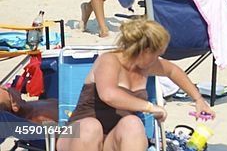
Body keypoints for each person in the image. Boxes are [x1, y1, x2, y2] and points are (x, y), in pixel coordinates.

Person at [56, 19, 214, 151]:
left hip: (113, 140)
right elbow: (109, 95)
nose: (158, 59)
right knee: (91, 127)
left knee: (133, 124)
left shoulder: (147, 65)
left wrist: (198, 99)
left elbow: (173, 71)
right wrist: (150, 107)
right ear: (143, 51)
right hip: (78, 136)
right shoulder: (108, 61)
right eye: (156, 54)